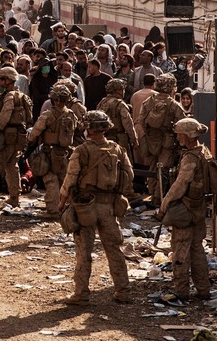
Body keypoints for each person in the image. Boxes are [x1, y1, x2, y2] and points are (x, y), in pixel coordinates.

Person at [58, 110, 135, 305]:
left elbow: (70, 178)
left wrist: (62, 202)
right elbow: (129, 176)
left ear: (88, 128)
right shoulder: (117, 150)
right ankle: (123, 291)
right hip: (109, 206)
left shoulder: (81, 151)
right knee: (114, 249)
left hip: (86, 207)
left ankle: (81, 294)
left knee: (84, 250)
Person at [157, 117, 212, 300]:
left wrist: (164, 205)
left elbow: (180, 186)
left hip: (186, 210)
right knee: (197, 250)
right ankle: (203, 289)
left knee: (181, 249)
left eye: (180, 134)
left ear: (187, 135)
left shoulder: (190, 158)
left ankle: (181, 291)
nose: (178, 138)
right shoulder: (204, 152)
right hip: (199, 209)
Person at [0, 67, 33, 207]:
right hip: (16, 136)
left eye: (3, 78)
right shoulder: (20, 95)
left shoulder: (10, 96)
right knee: (12, 166)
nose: (0, 81)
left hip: (6, 135)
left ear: (9, 80)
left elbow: (6, 113)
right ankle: (14, 197)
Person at [28, 84, 78, 216]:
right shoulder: (71, 115)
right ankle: (73, 206)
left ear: (54, 99)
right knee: (66, 180)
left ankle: (53, 208)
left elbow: (35, 132)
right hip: (64, 152)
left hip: (49, 152)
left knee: (51, 180)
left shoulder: (48, 115)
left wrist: (30, 140)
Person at [138, 74, 186, 198]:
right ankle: (159, 198)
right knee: (164, 170)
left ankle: (152, 194)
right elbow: (183, 123)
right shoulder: (173, 104)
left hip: (151, 140)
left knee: (153, 168)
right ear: (171, 88)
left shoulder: (149, 101)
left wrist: (150, 133)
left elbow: (141, 120)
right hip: (167, 141)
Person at [97, 78, 139, 161]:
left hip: (104, 138)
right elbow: (128, 124)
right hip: (119, 139)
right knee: (124, 164)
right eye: (123, 89)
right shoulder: (120, 104)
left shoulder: (102, 102)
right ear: (118, 90)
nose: (124, 92)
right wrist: (134, 140)